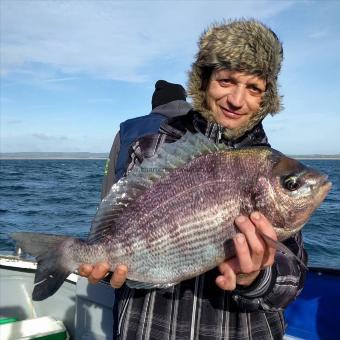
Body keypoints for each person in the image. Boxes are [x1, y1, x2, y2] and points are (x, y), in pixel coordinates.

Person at [79, 19, 307, 339]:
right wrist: (100, 268)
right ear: (204, 81)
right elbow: (115, 236)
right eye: (226, 81)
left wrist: (256, 276)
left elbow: (292, 281)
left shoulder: (271, 169)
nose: (237, 100)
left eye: (254, 88)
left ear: (265, 98)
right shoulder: (149, 148)